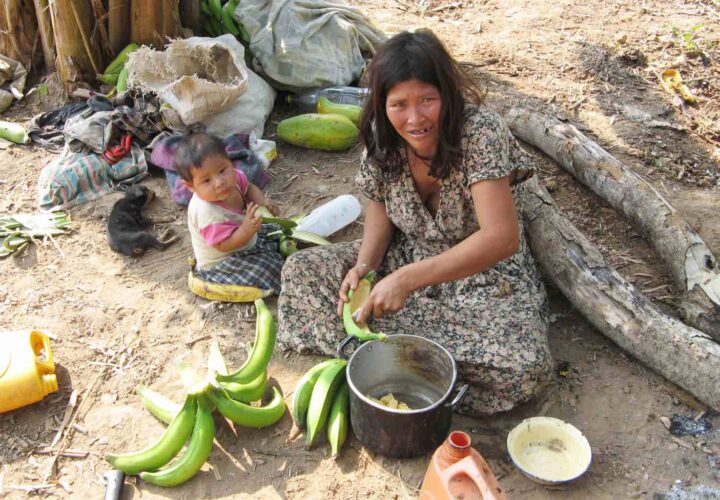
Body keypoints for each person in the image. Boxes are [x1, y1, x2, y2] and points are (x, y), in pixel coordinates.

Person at [277, 29, 553, 417]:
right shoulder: (382, 137)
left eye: (427, 100)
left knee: (525, 366)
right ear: (382, 104)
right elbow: (379, 210)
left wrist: (407, 280)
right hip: (404, 257)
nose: (414, 118)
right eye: (399, 104)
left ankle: (382, 356)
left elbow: (501, 237)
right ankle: (420, 362)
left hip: (483, 278)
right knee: (302, 273)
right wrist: (366, 269)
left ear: (448, 94)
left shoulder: (480, 132)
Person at [175, 133, 284, 293]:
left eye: (222, 170)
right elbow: (223, 245)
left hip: (245, 236)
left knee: (277, 233)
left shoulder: (234, 178)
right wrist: (246, 230)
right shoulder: (207, 212)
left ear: (229, 161)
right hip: (224, 262)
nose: (219, 182)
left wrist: (263, 201)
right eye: (206, 181)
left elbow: (249, 188)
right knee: (271, 270)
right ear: (190, 186)